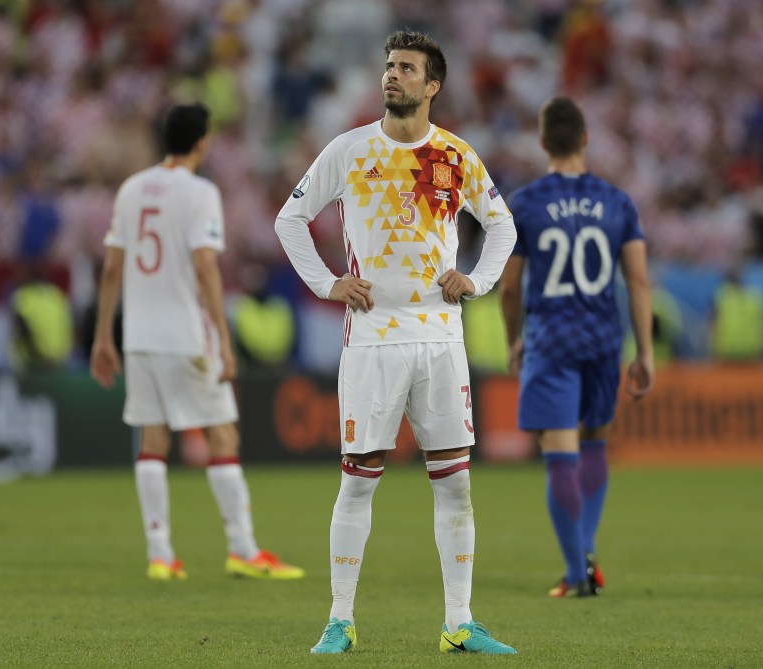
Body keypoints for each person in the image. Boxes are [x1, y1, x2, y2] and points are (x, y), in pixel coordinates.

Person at [275, 30, 517, 656]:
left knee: (455, 484)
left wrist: (478, 279)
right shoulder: (351, 150)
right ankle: (339, 620)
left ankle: (458, 622)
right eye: (389, 66)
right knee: (358, 480)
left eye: (407, 68)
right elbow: (290, 218)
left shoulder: (457, 156)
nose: (393, 76)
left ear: (432, 85)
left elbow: (501, 224)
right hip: (374, 339)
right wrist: (329, 283)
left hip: (440, 338)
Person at [91, 103, 303, 582]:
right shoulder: (201, 192)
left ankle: (161, 554)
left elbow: (110, 269)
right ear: (202, 141)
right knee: (222, 435)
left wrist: (104, 336)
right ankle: (243, 549)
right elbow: (206, 266)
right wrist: (225, 341)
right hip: (187, 334)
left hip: (139, 337)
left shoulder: (131, 189)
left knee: (152, 440)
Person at [499, 96, 653, 598]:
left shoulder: (524, 203)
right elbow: (638, 282)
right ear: (585, 139)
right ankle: (586, 553)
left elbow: (509, 286)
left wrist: (513, 339)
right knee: (593, 444)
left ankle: (574, 572)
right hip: (604, 340)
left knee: (560, 455)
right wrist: (645, 352)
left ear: (543, 143)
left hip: (552, 339)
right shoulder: (618, 203)